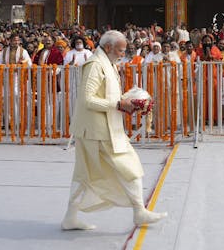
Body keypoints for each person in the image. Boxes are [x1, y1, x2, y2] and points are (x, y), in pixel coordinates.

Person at [61, 30, 167, 230]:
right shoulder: (95, 65)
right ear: (108, 47)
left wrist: (129, 101)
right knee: (130, 166)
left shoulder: (107, 63)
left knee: (84, 175)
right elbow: (88, 99)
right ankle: (139, 211)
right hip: (96, 130)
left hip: (102, 128)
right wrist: (120, 104)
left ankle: (70, 217)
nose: (122, 54)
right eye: (120, 50)